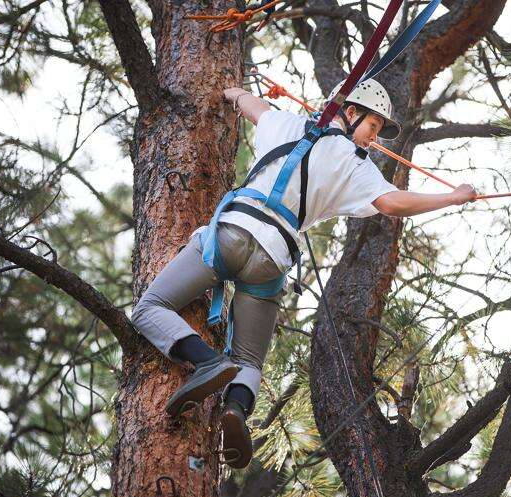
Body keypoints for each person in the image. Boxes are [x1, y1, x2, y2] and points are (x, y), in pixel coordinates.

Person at [130, 78, 476, 468]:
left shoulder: (287, 124)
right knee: (248, 359)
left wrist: (231, 91)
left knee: (150, 307)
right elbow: (392, 203)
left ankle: (205, 360)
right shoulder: (354, 167)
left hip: (229, 236)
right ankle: (235, 412)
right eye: (372, 127)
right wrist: (453, 196)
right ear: (349, 112)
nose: (373, 139)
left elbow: (251, 106)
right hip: (271, 261)